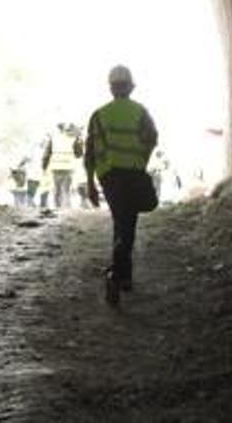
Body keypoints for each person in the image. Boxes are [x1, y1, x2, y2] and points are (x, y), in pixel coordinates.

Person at [84, 65, 158, 304]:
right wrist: (141, 161)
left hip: (110, 177)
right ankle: (120, 274)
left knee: (122, 220)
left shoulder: (99, 114)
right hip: (134, 174)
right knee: (128, 222)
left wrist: (91, 184)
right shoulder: (141, 112)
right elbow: (152, 138)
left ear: (111, 88)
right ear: (130, 87)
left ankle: (121, 274)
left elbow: (90, 152)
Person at [44, 122, 83, 208]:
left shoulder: (53, 138)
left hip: (56, 168)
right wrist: (79, 142)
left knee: (57, 190)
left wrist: (44, 167)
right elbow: (79, 154)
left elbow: (46, 154)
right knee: (66, 190)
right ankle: (67, 210)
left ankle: (57, 209)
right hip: (68, 168)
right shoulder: (74, 139)